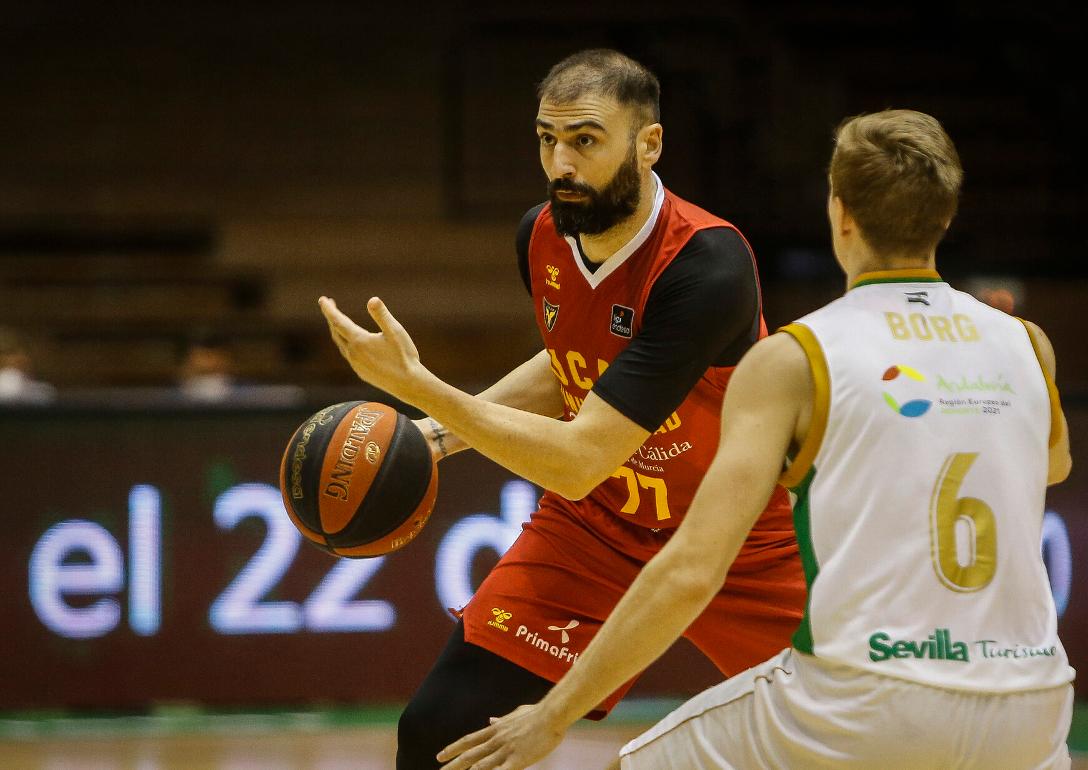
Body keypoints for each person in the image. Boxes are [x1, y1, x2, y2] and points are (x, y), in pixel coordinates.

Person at [438, 109, 1077, 769]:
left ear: (841, 213)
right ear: (947, 215)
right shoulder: (1027, 345)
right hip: (1034, 698)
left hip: (874, 694)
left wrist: (552, 715)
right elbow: (1052, 467)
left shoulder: (799, 357)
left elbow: (690, 571)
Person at [317, 49, 806, 769]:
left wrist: (421, 388)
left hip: (738, 535)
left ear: (649, 143)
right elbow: (570, 362)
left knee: (883, 736)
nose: (560, 164)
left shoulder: (708, 264)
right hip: (598, 529)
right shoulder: (541, 234)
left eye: (584, 140)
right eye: (547, 139)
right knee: (438, 734)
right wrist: (436, 436)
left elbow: (581, 458)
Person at [0, 326, 56, 404]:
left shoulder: (42, 390)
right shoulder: (8, 380)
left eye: (23, 353)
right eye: (11, 353)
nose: (21, 358)